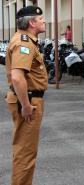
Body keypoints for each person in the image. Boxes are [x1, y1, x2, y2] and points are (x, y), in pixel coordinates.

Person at [5, 5, 47, 185]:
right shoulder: (24, 42)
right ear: (31, 23)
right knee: (25, 153)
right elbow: (17, 77)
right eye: (40, 19)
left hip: (27, 98)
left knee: (24, 151)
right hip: (28, 100)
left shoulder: (26, 40)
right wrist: (27, 106)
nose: (44, 21)